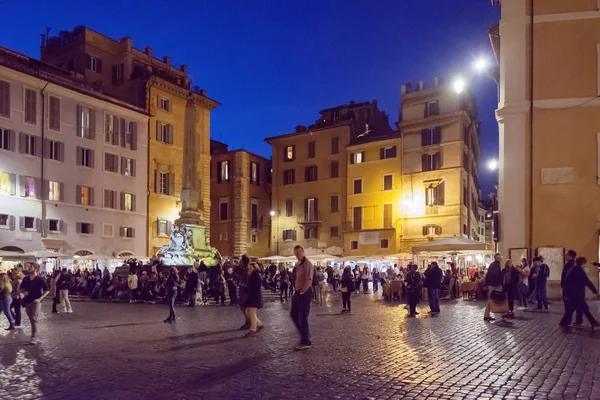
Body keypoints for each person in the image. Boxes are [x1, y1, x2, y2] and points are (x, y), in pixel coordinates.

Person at [559, 257, 599, 329]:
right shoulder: (580, 271)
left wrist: (566, 294)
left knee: (574, 308)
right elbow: (587, 282)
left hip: (573, 293)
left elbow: (566, 282)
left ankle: (564, 322)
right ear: (583, 263)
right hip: (577, 294)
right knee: (584, 308)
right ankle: (594, 322)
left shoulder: (572, 270)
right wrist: (595, 291)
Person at [290, 245, 314, 350]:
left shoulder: (307, 264)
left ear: (303, 251)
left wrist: (303, 291)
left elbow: (309, 280)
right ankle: (305, 335)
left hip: (304, 293)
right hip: (298, 292)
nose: (298, 254)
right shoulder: (298, 264)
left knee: (303, 317)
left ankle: (306, 342)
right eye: (296, 253)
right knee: (293, 314)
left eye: (300, 252)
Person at [20, 263, 50, 343]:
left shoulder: (40, 279)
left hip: (36, 301)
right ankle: (34, 334)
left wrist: (40, 299)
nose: (29, 268)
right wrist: (23, 292)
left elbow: (47, 290)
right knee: (31, 319)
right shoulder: (25, 279)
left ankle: (34, 337)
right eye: (29, 267)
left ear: (36, 269)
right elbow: (21, 288)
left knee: (33, 318)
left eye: (31, 267)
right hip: (27, 301)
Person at [561, 250, 584, 325]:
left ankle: (568, 320)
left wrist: (564, 286)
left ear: (570, 256)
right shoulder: (572, 264)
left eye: (567, 254)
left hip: (568, 288)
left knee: (568, 304)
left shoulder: (570, 265)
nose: (565, 256)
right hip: (571, 288)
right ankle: (578, 320)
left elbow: (567, 277)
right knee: (576, 304)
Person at [244, 262, 264, 336]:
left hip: (255, 296)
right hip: (251, 296)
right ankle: (258, 323)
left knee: (252, 312)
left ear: (254, 267)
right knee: (247, 311)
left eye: (250, 267)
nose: (249, 268)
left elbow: (256, 287)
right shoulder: (252, 275)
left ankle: (253, 329)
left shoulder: (256, 275)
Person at [484, 253, 503, 321]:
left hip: (492, 284)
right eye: (500, 257)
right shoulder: (495, 265)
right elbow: (495, 275)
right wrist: (499, 284)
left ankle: (487, 315)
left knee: (491, 299)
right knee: (491, 299)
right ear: (498, 258)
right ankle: (486, 315)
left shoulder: (494, 264)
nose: (501, 258)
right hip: (493, 285)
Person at [237, 255, 251, 330]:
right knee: (243, 307)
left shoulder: (248, 269)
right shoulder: (242, 269)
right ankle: (248, 321)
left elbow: (247, 280)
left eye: (241, 261)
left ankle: (250, 322)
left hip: (246, 291)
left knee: (244, 307)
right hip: (242, 290)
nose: (240, 262)